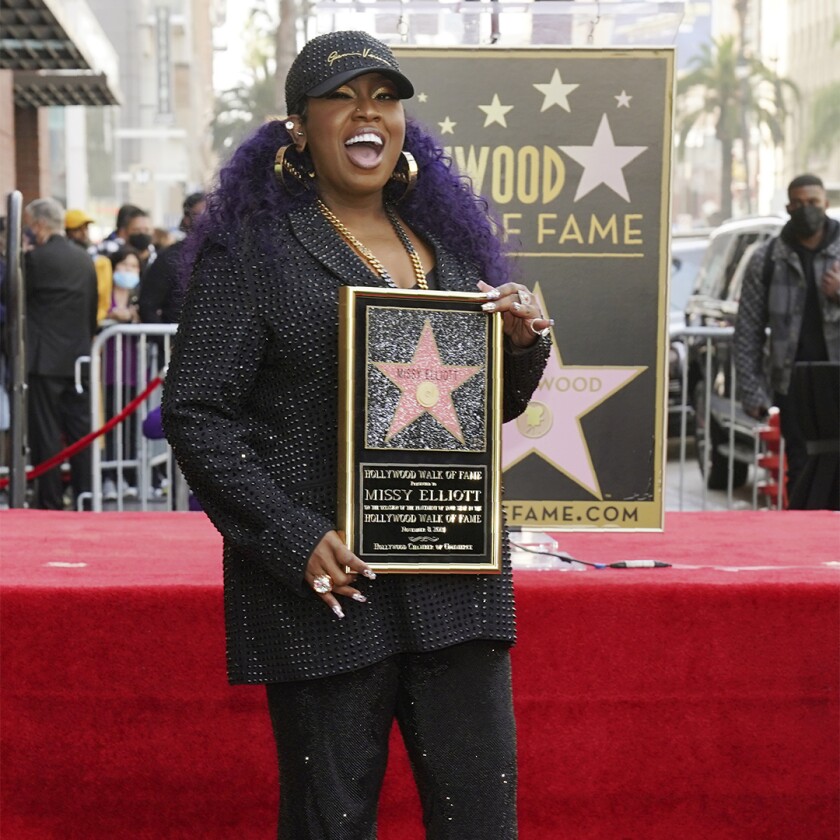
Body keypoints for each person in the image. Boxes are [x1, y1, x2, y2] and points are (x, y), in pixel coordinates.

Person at [162, 30, 552, 840]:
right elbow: (197, 413)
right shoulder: (253, 253)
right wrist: (295, 536)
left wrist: (521, 349)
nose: (367, 111)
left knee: (482, 820)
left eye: (384, 95)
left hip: (456, 583)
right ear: (299, 128)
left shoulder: (444, 256)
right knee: (329, 822)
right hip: (328, 589)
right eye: (341, 95)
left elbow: (478, 419)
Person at [734, 174, 840, 505]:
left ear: (826, 204)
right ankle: (804, 543)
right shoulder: (767, 258)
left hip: (837, 376)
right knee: (802, 465)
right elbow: (748, 328)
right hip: (794, 382)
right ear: (788, 206)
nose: (807, 209)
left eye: (814, 202)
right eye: (799, 203)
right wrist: (752, 390)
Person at [23, 198, 98, 509]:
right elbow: (92, 307)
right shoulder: (84, 259)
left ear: (38, 226)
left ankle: (50, 500)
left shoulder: (34, 261)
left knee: (46, 434)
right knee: (80, 433)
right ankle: (85, 495)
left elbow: (15, 300)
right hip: (79, 357)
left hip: (44, 360)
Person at [65, 208, 114, 324]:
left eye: (86, 228)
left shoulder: (100, 260)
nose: (84, 233)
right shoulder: (63, 257)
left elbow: (102, 296)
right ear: (67, 231)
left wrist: (96, 319)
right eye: (77, 229)